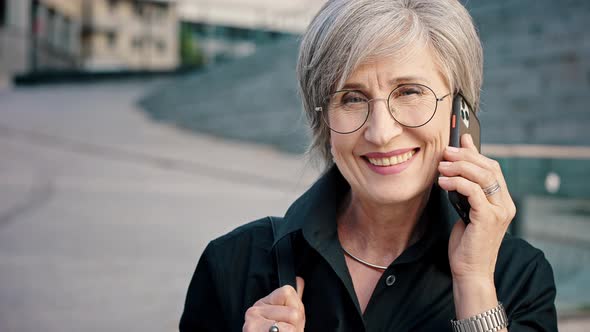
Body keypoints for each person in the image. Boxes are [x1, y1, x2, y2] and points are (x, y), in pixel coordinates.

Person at [179, 0, 557, 331]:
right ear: (324, 122)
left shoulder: (519, 277)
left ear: (460, 114)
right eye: (352, 98)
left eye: (410, 91)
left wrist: (474, 284)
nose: (380, 132)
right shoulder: (232, 266)